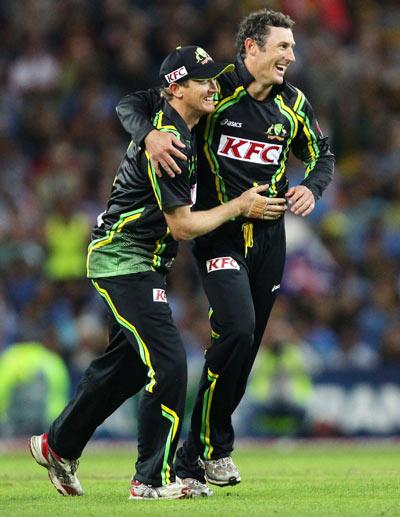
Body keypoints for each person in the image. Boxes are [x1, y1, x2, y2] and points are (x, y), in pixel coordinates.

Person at [29, 45, 275, 501]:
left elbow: (131, 102)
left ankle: (57, 446)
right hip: (124, 260)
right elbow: (182, 227)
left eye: (213, 78)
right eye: (202, 81)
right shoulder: (171, 143)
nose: (213, 87)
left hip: (144, 262)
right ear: (176, 89)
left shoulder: (173, 123)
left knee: (125, 369)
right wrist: (239, 206)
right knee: (169, 364)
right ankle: (150, 480)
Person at [116, 9, 335, 490]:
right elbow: (135, 103)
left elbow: (322, 154)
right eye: (282, 46)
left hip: (270, 238)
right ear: (251, 48)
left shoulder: (294, 104)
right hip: (220, 233)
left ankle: (196, 456)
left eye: (292, 46)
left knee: (246, 346)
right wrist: (150, 134)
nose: (291, 55)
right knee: (236, 328)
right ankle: (214, 447)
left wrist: (312, 188)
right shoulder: (216, 88)